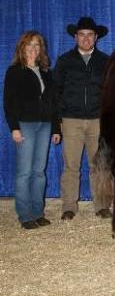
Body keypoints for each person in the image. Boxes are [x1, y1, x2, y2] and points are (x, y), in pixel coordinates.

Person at [54, 17, 112, 220]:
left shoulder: (105, 61)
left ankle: (102, 205)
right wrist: (58, 120)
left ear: (96, 37)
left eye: (90, 35)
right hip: (71, 120)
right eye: (82, 34)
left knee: (100, 164)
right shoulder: (64, 61)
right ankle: (69, 206)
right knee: (71, 165)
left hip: (98, 120)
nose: (86, 38)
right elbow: (56, 91)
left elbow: (111, 92)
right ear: (75, 37)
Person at [3, 31, 61, 229]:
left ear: (41, 49)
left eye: (37, 45)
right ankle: (25, 215)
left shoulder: (46, 72)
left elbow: (53, 103)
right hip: (25, 125)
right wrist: (14, 128)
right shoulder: (14, 71)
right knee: (25, 172)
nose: (33, 48)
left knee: (39, 172)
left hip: (44, 125)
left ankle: (38, 212)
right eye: (30, 44)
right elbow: (9, 103)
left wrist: (56, 128)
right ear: (22, 47)